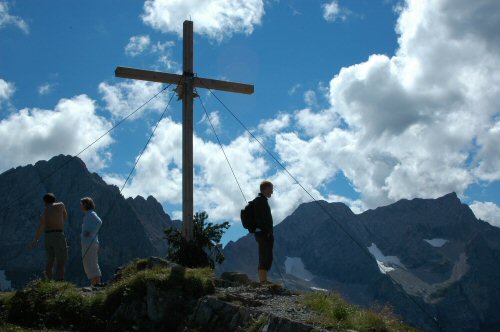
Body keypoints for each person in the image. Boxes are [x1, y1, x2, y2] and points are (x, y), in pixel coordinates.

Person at [31, 193, 68, 281]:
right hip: (58, 234)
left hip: (48, 236)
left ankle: (48, 281)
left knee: (50, 260)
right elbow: (65, 216)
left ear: (44, 202)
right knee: (61, 260)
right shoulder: (61, 205)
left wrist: (35, 239)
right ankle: (60, 280)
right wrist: (60, 224)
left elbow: (41, 227)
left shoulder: (44, 213)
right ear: (54, 199)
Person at [253, 180, 274, 284]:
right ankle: (263, 281)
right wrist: (266, 231)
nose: (272, 192)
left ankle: (263, 280)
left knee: (266, 256)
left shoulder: (262, 200)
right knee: (264, 256)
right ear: (265, 189)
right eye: (271, 189)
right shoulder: (260, 201)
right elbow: (260, 218)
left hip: (263, 233)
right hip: (263, 234)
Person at [80, 197, 102, 287]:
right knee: (90, 263)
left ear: (85, 205)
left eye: (81, 204)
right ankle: (95, 284)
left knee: (91, 263)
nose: (80, 206)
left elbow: (99, 222)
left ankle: (96, 284)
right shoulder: (88, 215)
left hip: (90, 243)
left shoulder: (91, 214)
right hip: (89, 243)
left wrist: (91, 233)